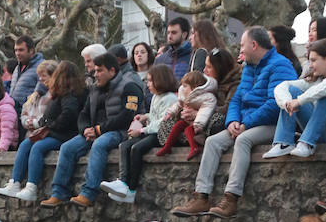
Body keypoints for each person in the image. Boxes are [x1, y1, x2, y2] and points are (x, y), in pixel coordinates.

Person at [172, 26, 296, 219]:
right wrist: (232, 121)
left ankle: (231, 198)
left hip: (273, 123)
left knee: (243, 140)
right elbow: (237, 99)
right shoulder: (248, 68)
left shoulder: (281, 65)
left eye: (242, 45)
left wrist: (245, 124)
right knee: (213, 142)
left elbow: (275, 104)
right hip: (245, 122)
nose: (241, 49)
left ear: (253, 45)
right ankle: (201, 196)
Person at [39, 52, 144, 208]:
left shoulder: (129, 86)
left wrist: (99, 130)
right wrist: (85, 130)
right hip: (93, 131)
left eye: (100, 71)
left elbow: (127, 116)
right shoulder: (94, 89)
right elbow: (83, 114)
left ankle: (88, 193)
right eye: (95, 71)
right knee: (67, 148)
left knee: (99, 145)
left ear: (112, 71)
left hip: (119, 131)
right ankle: (59, 193)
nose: (96, 75)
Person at [0, 61, 85, 202]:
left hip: (63, 134)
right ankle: (15, 182)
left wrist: (50, 125)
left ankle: (32, 187)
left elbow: (68, 114)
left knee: (38, 147)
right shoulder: (61, 93)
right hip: (53, 131)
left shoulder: (70, 94)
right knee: (26, 144)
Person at [263, 38, 326, 160]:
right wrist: (286, 103)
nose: (310, 66)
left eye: (314, 60)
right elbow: (283, 86)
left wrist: (299, 101)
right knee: (292, 91)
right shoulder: (316, 79)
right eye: (309, 61)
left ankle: (306, 143)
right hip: (322, 131)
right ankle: (284, 143)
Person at [99, 63, 179, 203]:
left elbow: (162, 123)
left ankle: (131, 189)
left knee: (137, 148)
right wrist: (145, 117)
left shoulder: (170, 98)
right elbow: (155, 115)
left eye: (150, 80)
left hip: (161, 134)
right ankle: (123, 182)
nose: (147, 84)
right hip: (151, 131)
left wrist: (141, 130)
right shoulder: (156, 97)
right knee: (124, 146)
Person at [153, 70, 217, 159]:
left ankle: (194, 147)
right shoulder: (184, 94)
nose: (183, 88)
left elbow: (205, 111)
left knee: (188, 130)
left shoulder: (206, 97)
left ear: (195, 87)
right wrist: (170, 112)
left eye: (185, 86)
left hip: (198, 123)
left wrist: (198, 124)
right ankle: (167, 146)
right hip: (187, 119)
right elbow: (178, 104)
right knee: (178, 125)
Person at [8, 35, 44, 119]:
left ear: (31, 51)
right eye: (16, 50)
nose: (17, 53)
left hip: (30, 116)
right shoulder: (17, 68)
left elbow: (44, 88)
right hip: (14, 114)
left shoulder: (41, 66)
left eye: (21, 50)